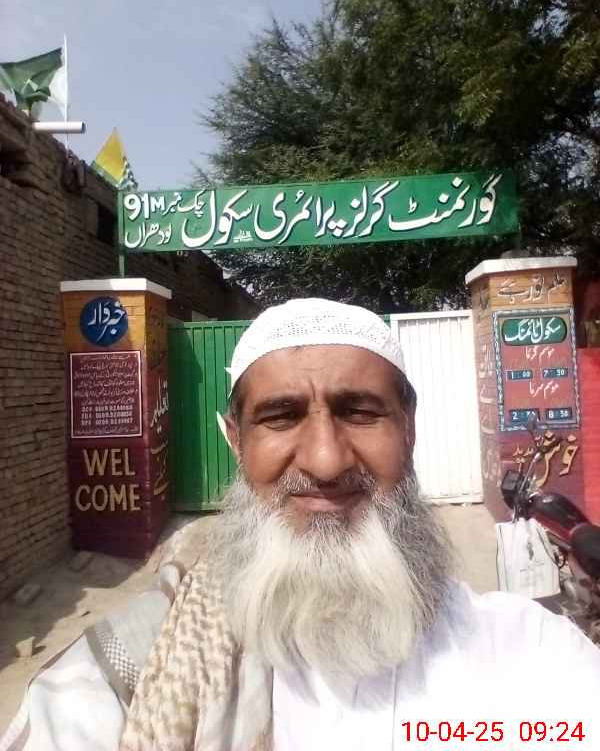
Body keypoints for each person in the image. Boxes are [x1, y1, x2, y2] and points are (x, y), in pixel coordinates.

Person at [3, 298, 600, 751]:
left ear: (409, 429)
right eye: (281, 417)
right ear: (236, 442)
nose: (326, 461)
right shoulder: (122, 673)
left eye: (360, 412)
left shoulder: (527, 655)